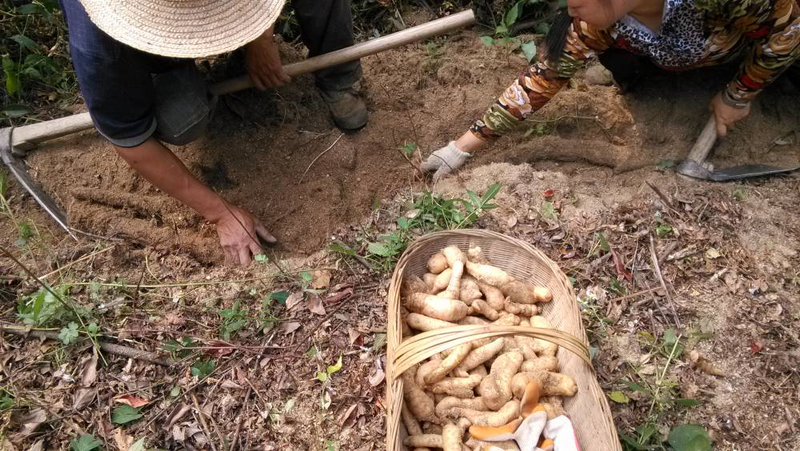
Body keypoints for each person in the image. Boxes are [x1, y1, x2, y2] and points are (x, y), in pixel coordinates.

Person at [58, 0, 367, 265]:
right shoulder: (101, 48)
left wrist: (260, 37)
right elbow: (131, 140)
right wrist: (221, 214)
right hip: (138, 53)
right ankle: (178, 69)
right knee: (183, 117)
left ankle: (338, 79)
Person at [421, 0, 800, 180]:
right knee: (616, 57)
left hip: (738, 50)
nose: (569, 4)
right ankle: (662, 87)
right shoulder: (593, 22)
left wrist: (739, 94)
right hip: (671, 62)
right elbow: (544, 78)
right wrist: (460, 148)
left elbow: (790, 30)